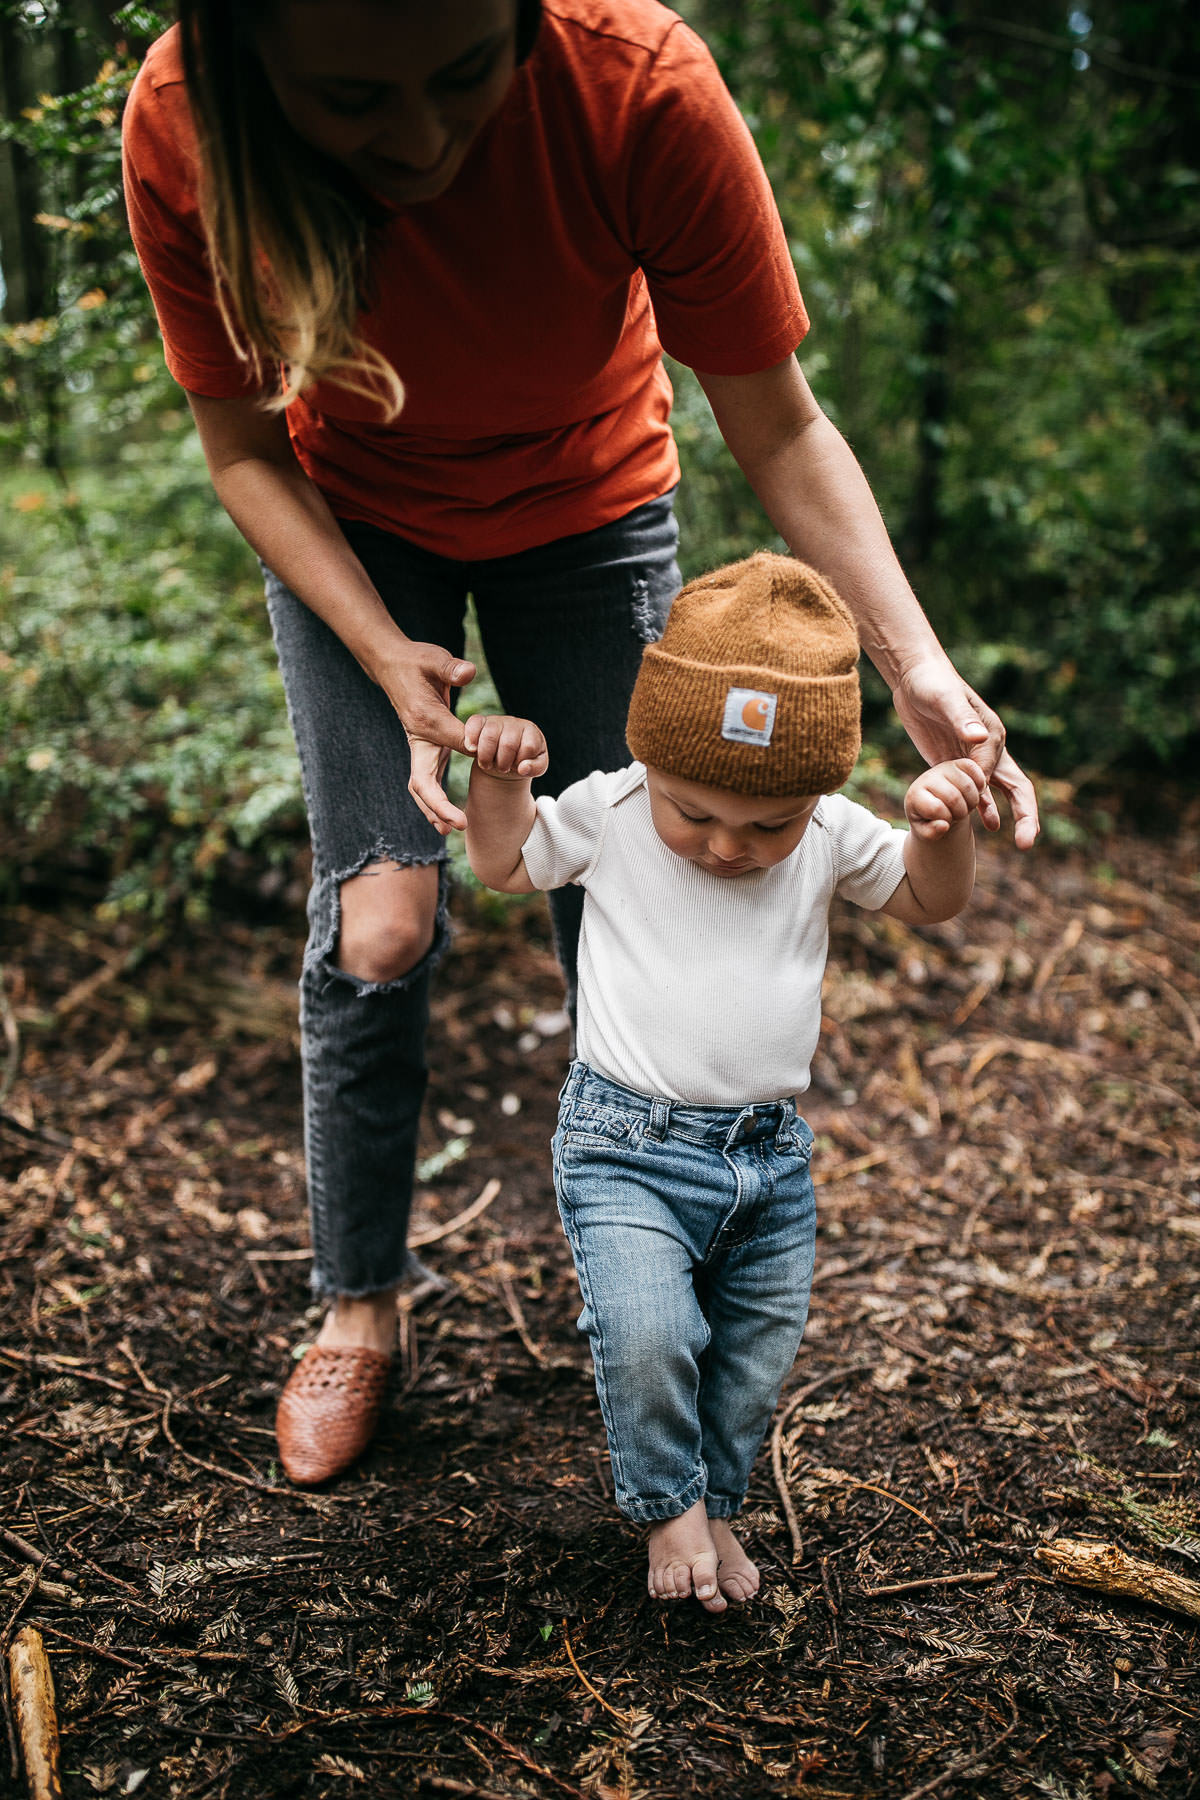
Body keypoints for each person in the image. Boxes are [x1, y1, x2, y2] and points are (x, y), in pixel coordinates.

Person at [121, 0, 1038, 1488]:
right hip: (352, 529)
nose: (417, 143)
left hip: (588, 516)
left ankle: (658, 1250)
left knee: (650, 875)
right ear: (253, 59)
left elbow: (781, 421)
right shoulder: (182, 122)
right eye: (354, 101)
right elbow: (242, 449)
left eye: (465, 76)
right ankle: (360, 1305)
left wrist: (916, 667)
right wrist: (383, 655)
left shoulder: (641, 92)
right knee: (381, 921)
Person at [462, 552, 984, 1608]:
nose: (728, 846)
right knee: (650, 1333)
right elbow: (505, 863)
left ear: (817, 795)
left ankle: (717, 1503)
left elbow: (928, 901)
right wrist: (497, 781)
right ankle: (668, 1511)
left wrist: (947, 830)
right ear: (653, 758)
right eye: (695, 812)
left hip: (768, 1158)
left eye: (768, 826)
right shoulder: (611, 812)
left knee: (752, 1353)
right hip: (625, 1146)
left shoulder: (830, 832)